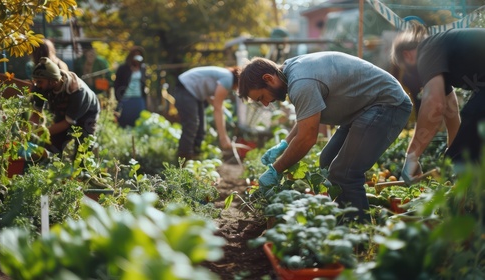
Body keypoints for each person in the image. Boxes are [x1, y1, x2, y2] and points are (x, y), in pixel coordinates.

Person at [238, 52, 412, 223]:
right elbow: (309, 115)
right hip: (362, 109)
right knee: (327, 160)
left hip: (387, 104)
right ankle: (343, 218)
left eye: (262, 97)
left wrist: (276, 170)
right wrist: (285, 143)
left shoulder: (301, 83)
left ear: (268, 78)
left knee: (345, 173)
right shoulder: (290, 71)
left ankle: (360, 235)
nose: (266, 103)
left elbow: (307, 138)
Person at [391, 24, 485, 183]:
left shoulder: (427, 49)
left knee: (463, 155)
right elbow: (451, 110)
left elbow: (434, 105)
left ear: (407, 55)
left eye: (406, 69)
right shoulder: (440, 57)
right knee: (461, 154)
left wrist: (411, 157)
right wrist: (452, 154)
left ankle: (467, 205)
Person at [29, 57, 100, 156]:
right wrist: (28, 131)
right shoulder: (42, 87)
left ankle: (83, 170)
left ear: (53, 81)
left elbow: (67, 123)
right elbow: (36, 114)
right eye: (35, 81)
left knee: (82, 152)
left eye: (40, 82)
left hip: (87, 114)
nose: (37, 85)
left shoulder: (77, 91)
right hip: (65, 112)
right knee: (52, 146)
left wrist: (42, 132)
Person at [173, 66, 240, 160]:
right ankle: (183, 160)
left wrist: (222, 109)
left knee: (201, 129)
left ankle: (195, 158)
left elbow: (212, 97)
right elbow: (217, 108)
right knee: (191, 125)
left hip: (195, 94)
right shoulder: (228, 79)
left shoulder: (226, 76)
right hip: (186, 87)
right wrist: (223, 137)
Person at [113, 46, 148, 127]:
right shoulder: (123, 68)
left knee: (138, 122)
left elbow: (144, 84)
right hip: (126, 99)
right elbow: (116, 84)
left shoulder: (143, 69)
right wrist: (118, 98)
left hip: (138, 98)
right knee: (125, 121)